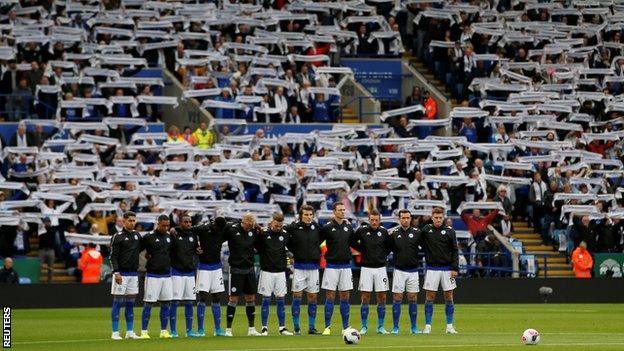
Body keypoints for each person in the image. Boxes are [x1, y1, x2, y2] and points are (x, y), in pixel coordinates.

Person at [351, 210, 391, 335]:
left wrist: (382, 255)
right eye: (372, 220)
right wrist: (362, 249)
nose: (374, 222)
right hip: (366, 268)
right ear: (369, 220)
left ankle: (380, 326)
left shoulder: (384, 232)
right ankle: (364, 326)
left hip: (380, 268)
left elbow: (389, 246)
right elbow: (352, 242)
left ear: (379, 220)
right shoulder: (362, 231)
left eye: (376, 220)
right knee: (365, 297)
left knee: (382, 297)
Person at [421, 207, 459, 334]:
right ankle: (427, 326)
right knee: (429, 297)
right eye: (436, 217)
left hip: (447, 269)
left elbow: (455, 250)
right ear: (432, 217)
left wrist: (454, 268)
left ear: (443, 218)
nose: (438, 220)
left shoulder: (449, 231)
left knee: (449, 297)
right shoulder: (426, 230)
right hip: (432, 269)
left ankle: (449, 326)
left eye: (440, 217)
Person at [285, 205, 321, 335]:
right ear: (301, 215)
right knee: (297, 296)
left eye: (310, 214)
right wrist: (292, 253)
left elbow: (321, 240)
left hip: (314, 267)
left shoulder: (317, 227)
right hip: (299, 267)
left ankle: (311, 327)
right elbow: (284, 236)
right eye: (306, 215)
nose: (308, 217)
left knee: (312, 297)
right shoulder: (293, 227)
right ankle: (296, 327)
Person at [189, 216, 228, 337]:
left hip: (217, 267)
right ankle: (201, 329)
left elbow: (234, 226)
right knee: (203, 296)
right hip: (204, 267)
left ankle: (218, 329)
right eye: (216, 227)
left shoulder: (223, 228)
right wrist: (196, 246)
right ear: (213, 223)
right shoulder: (203, 228)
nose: (218, 229)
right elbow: (189, 232)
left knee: (216, 297)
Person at [256, 213, 294, 336]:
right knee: (266, 299)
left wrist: (291, 258)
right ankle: (264, 328)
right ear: (272, 222)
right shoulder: (263, 234)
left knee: (281, 300)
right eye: (276, 225)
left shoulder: (285, 234)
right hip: (266, 272)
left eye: (280, 226)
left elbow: (291, 248)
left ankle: (282, 328)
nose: (278, 228)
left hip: (281, 272)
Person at [224, 213, 262, 337]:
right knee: (233, 299)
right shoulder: (232, 230)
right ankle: (228, 329)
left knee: (251, 298)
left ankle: (251, 329)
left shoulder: (254, 231)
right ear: (243, 222)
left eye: (251, 226)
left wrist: (259, 230)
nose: (249, 228)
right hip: (236, 269)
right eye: (247, 225)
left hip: (250, 269)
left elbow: (259, 246)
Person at [319, 203, 354, 335]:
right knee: (330, 296)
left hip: (346, 266)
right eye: (340, 210)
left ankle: (345, 327)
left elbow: (354, 243)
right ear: (334, 212)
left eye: (344, 210)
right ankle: (327, 327)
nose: (342, 212)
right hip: (331, 266)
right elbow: (316, 242)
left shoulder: (349, 227)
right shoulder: (327, 228)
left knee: (345, 296)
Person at [388, 209, 422, 334]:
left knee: (413, 298)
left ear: (411, 219)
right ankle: (395, 327)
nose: (405, 220)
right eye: (403, 218)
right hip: (399, 270)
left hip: (413, 270)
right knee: (397, 298)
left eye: (408, 218)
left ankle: (414, 327)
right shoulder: (393, 233)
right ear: (399, 219)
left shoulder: (417, 233)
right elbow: (386, 250)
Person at [109, 211, 142, 340]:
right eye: (130, 220)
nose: (132, 223)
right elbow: (112, 256)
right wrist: (116, 272)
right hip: (121, 274)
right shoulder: (117, 236)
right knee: (117, 302)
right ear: (124, 221)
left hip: (133, 274)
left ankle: (129, 331)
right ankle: (115, 332)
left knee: (130, 304)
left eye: (134, 221)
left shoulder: (137, 236)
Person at [140, 215, 174, 339]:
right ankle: (144, 331)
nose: (165, 228)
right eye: (163, 225)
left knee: (166, 303)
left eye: (167, 225)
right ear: (157, 224)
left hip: (166, 274)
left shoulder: (170, 237)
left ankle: (164, 331)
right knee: (148, 303)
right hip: (152, 275)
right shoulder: (149, 237)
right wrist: (145, 259)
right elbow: (137, 250)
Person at [169, 215, 201, 337]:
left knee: (189, 302)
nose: (188, 224)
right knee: (175, 302)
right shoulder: (174, 234)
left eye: (189, 222)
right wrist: (172, 229)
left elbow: (196, 249)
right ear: (180, 222)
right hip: (176, 271)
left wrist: (198, 250)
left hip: (189, 273)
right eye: (185, 222)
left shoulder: (193, 235)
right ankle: (173, 331)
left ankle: (189, 331)